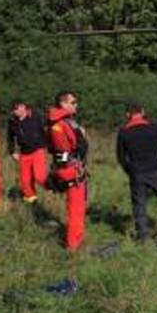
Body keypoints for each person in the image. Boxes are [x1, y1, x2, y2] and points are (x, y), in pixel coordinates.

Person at [116, 102, 157, 241]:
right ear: (142, 112)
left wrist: (130, 170)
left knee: (139, 204)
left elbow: (120, 157)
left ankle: (143, 235)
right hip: (156, 169)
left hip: (136, 172)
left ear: (127, 115)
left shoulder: (124, 131)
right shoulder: (155, 128)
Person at [47, 91, 89, 252]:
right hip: (71, 170)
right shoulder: (58, 124)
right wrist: (69, 166)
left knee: (79, 207)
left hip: (75, 167)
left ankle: (77, 240)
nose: (76, 105)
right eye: (73, 102)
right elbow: (61, 151)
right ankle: (73, 245)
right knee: (75, 208)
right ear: (63, 104)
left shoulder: (66, 121)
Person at [7, 99, 48, 204]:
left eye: (17, 108)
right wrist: (12, 151)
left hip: (38, 150)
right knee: (25, 181)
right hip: (24, 153)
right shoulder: (13, 122)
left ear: (24, 107)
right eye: (14, 109)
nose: (16, 111)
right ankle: (31, 201)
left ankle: (55, 188)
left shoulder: (35, 117)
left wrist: (48, 145)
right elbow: (10, 137)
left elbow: (45, 131)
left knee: (40, 176)